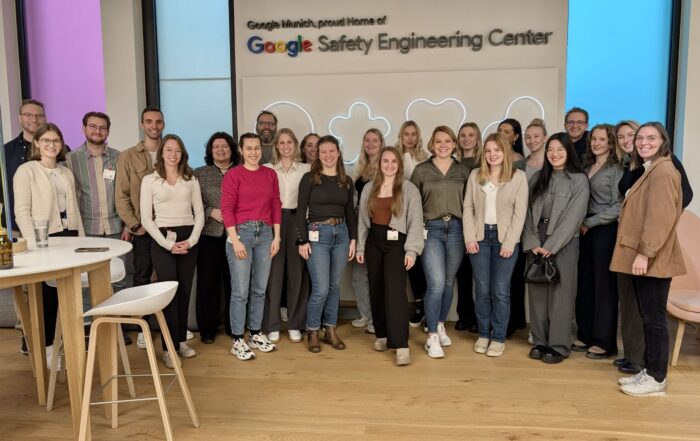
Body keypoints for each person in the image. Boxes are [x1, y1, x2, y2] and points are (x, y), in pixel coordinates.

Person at [611, 122, 685, 397]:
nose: (643, 142)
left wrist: (644, 253)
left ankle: (656, 377)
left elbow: (660, 218)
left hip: (652, 258)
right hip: (645, 256)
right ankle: (650, 370)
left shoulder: (664, 170)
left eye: (651, 138)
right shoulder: (649, 168)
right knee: (648, 316)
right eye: (640, 138)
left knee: (654, 319)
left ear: (663, 140)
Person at [13, 123, 84, 365]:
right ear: (37, 144)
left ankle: (66, 343)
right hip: (45, 239)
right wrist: (34, 244)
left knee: (67, 293)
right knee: (47, 297)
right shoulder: (27, 171)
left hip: (70, 235)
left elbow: (74, 209)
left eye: (56, 141)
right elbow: (22, 212)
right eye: (47, 141)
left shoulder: (65, 172)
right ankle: (48, 350)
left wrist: (82, 241)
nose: (52, 145)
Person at [522, 132, 589, 364]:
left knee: (562, 293)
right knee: (538, 291)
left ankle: (559, 345)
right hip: (536, 241)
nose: (554, 154)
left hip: (564, 243)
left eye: (560, 149)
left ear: (568, 151)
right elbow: (526, 215)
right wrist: (532, 242)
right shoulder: (538, 179)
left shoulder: (579, 180)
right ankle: (540, 341)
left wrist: (551, 245)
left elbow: (574, 217)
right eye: (550, 149)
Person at [66, 111, 131, 343]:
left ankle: (117, 326)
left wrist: (127, 225)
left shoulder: (119, 157)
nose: (97, 131)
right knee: (85, 281)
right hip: (86, 232)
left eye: (102, 127)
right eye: (92, 126)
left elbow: (126, 193)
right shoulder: (71, 159)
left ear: (108, 131)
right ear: (84, 129)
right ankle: (89, 329)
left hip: (116, 228)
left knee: (119, 279)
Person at [140, 134, 204, 368]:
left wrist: (192, 241)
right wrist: (168, 245)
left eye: (177, 150)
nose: (173, 154)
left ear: (182, 153)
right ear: (162, 153)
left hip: (188, 240)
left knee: (185, 292)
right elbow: (146, 219)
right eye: (168, 150)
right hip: (162, 240)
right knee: (169, 296)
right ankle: (168, 348)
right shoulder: (150, 180)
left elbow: (200, 214)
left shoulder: (191, 178)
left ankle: (179, 342)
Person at [356, 147, 424, 366]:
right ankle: (382, 335)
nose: (389, 165)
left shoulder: (408, 188)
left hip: (397, 242)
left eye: (394, 161)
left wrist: (412, 250)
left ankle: (401, 344)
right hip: (374, 241)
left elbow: (415, 220)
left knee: (395, 291)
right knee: (376, 288)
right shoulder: (369, 188)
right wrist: (360, 248)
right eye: (385, 161)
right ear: (380, 163)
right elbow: (362, 221)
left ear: (399, 164)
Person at [463, 133, 528, 357]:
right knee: (482, 289)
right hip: (480, 238)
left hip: (505, 239)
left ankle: (498, 337)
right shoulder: (475, 176)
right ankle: (483, 333)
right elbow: (468, 208)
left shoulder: (518, 177)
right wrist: (470, 237)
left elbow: (520, 214)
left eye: (497, 150)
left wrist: (510, 242)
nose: (492, 155)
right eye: (489, 150)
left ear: (505, 152)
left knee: (500, 290)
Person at [410, 126, 469, 359]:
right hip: (431, 229)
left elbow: (471, 204)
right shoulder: (421, 170)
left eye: (447, 141)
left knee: (447, 282)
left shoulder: (463, 170)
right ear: (431, 145)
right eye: (438, 141)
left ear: (454, 144)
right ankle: (432, 335)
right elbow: (413, 205)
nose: (443, 145)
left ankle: (441, 323)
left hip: (456, 229)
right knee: (434, 282)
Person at [222, 133, 281, 360]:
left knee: (259, 289)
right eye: (249, 148)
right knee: (240, 291)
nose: (254, 152)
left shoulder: (269, 174)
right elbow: (227, 208)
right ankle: (238, 339)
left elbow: (276, 204)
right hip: (242, 235)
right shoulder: (233, 175)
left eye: (257, 148)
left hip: (266, 234)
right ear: (241, 150)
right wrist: (235, 240)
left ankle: (255, 334)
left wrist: (277, 237)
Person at [296, 135, 356, 353]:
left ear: (338, 153)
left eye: (332, 151)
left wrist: (353, 239)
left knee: (334, 286)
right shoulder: (309, 178)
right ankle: (312, 330)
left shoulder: (345, 181)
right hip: (316, 233)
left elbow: (350, 212)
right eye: (324, 152)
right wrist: (302, 240)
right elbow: (300, 211)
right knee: (320, 288)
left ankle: (330, 329)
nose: (328, 155)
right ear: (317, 155)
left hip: (341, 234)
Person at [115, 106, 165, 349]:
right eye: (149, 121)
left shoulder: (172, 150)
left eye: (157, 121)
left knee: (167, 277)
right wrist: (135, 225)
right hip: (143, 230)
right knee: (143, 276)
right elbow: (121, 196)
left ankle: (170, 326)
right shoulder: (127, 156)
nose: (153, 126)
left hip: (168, 228)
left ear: (163, 124)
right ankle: (143, 326)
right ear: (142, 124)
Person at [573, 124, 624, 359]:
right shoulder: (586, 166)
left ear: (611, 143)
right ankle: (585, 334)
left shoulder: (616, 169)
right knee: (584, 283)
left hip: (603, 230)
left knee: (603, 287)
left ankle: (604, 341)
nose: (596, 143)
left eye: (601, 139)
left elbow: (618, 206)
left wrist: (591, 223)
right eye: (593, 139)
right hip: (583, 231)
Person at [263, 128, 311, 344]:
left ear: (295, 144)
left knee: (297, 275)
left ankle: (294, 324)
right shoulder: (267, 170)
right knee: (274, 275)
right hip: (273, 222)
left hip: (298, 221)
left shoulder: (306, 169)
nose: (285, 146)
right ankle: (272, 324)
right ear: (276, 146)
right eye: (281, 142)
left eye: (289, 142)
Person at [193, 132, 239, 344]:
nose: (221, 150)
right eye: (216, 147)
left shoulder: (241, 171)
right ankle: (207, 329)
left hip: (236, 235)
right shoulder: (199, 173)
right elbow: (189, 203)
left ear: (232, 149)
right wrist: (210, 210)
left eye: (225, 146)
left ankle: (233, 326)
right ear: (210, 151)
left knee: (234, 282)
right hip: (209, 235)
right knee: (208, 283)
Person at [395, 121, 429, 328]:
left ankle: (426, 306)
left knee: (424, 262)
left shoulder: (425, 158)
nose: (410, 137)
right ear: (401, 136)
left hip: (423, 215)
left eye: (413, 134)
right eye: (406, 134)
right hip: (400, 215)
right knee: (408, 265)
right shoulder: (394, 157)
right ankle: (416, 304)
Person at [351, 129, 384, 334]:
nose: (370, 143)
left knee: (377, 276)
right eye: (367, 140)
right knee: (358, 275)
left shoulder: (385, 166)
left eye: (375, 140)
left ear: (381, 143)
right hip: (360, 226)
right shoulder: (360, 168)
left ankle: (378, 318)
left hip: (378, 227)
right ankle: (366, 314)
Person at [454, 122, 483, 333]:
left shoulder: (484, 161)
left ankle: (481, 319)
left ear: (477, 138)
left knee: (480, 276)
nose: (466, 139)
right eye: (462, 135)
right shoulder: (453, 162)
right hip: (458, 222)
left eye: (470, 135)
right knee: (463, 274)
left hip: (480, 223)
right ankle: (465, 315)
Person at [3, 99, 47, 232]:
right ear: (20, 118)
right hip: (14, 228)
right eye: (28, 115)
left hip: (49, 227)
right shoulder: (4, 151)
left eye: (39, 115)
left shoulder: (58, 149)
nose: (34, 119)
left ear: (45, 119)